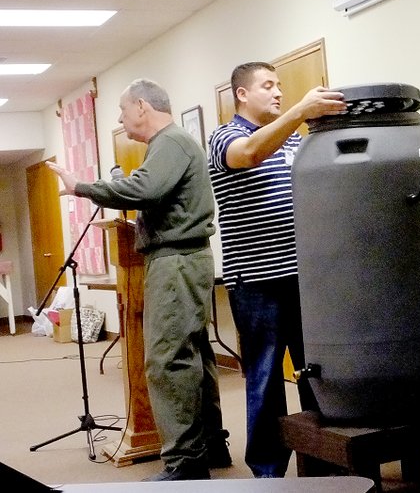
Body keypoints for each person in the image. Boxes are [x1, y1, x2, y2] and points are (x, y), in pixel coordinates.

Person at [47, 78, 231, 481]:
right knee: (193, 357)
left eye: (123, 109)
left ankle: (185, 463)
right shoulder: (172, 144)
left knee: (168, 360)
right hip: (186, 259)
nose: (120, 117)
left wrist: (81, 187)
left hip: (176, 262)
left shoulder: (170, 142)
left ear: (143, 107)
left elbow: (146, 188)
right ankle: (210, 446)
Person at [207, 62, 346, 478]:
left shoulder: (291, 144)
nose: (278, 93)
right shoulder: (224, 137)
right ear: (241, 95)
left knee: (314, 375)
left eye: (280, 86)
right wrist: (302, 110)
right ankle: (267, 472)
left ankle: (319, 462)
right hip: (257, 284)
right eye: (267, 86)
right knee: (266, 381)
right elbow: (249, 154)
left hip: (304, 279)